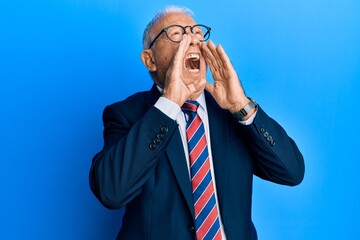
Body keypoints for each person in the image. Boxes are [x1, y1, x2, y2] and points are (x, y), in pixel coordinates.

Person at [89, 5, 305, 240]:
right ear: (149, 60)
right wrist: (169, 103)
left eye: (196, 33)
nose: (191, 40)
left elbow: (291, 172)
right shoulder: (125, 114)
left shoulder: (231, 112)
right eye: (177, 33)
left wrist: (240, 105)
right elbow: (111, 192)